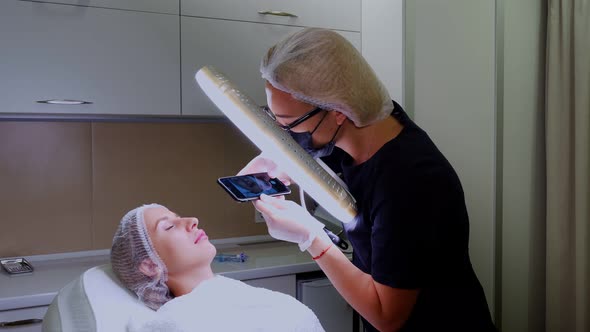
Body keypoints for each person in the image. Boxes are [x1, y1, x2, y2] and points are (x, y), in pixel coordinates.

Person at [239, 28, 497, 331]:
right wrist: (280, 160)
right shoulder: (366, 130)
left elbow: (387, 316)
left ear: (337, 111)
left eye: (289, 124)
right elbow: (316, 154)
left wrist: (311, 237)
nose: (288, 134)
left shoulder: (410, 180)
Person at [110, 203, 324, 331]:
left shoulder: (231, 294)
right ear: (150, 265)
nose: (192, 220)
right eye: (169, 226)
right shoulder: (179, 323)